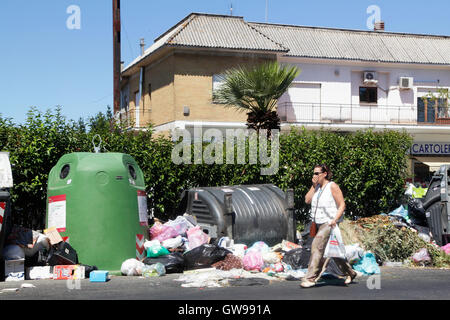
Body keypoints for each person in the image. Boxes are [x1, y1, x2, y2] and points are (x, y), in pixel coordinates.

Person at [300, 164, 357, 288]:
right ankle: (350, 272)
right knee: (333, 252)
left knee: (317, 248)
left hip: (328, 222)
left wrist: (335, 219)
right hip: (316, 223)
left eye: (317, 173)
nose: (314, 176)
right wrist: (313, 185)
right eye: (313, 173)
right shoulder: (317, 188)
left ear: (324, 174)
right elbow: (307, 200)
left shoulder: (332, 186)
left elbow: (342, 205)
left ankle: (310, 278)